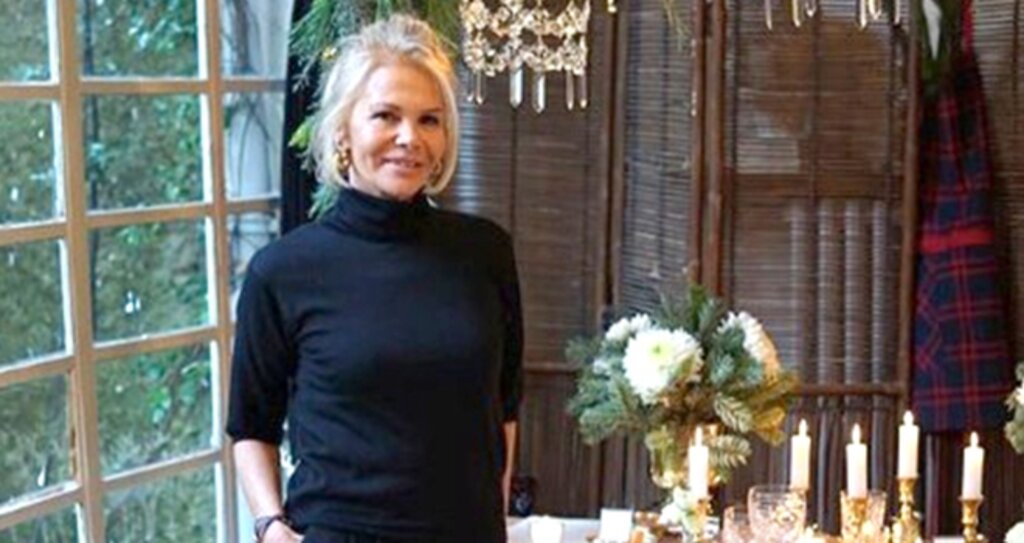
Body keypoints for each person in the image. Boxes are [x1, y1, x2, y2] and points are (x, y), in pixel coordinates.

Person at [226, 14, 523, 543]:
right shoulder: (283, 271)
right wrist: (271, 526)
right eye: (386, 115)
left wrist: (493, 517)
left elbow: (504, 408)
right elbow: (251, 426)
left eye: (429, 120)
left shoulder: (486, 253)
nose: (409, 138)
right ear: (343, 129)